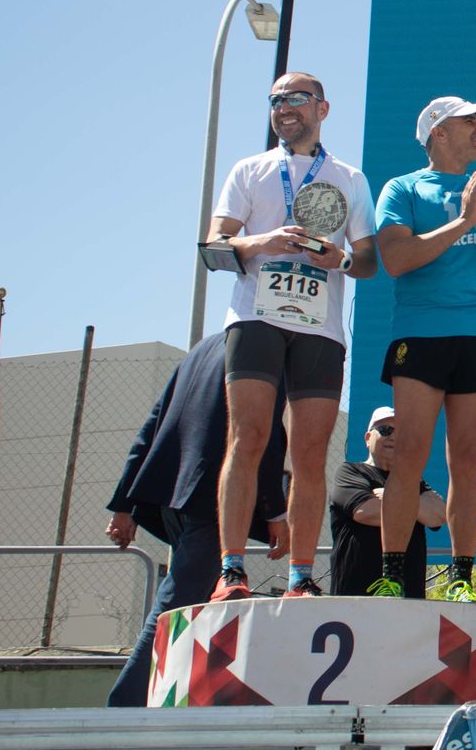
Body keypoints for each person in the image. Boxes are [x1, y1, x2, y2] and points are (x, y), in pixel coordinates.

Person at [208, 71, 378, 600]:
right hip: (255, 319)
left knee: (309, 452)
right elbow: (214, 248)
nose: (284, 107)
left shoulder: (349, 177)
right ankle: (231, 571)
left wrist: (338, 258)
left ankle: (301, 576)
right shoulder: (249, 169)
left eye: (297, 98)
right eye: (276, 99)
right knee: (247, 438)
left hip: (319, 328)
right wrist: (263, 242)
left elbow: (368, 262)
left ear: (322, 109)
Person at [371, 96, 476, 598]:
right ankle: (393, 577)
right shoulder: (403, 188)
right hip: (421, 333)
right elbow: (396, 259)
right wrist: (461, 222)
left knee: (467, 460)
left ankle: (461, 579)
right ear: (438, 133)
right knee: (410, 455)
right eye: (469, 122)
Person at [103, 331, 288, 706]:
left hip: (174, 492)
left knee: (193, 606)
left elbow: (153, 424)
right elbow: (263, 436)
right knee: (176, 606)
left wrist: (125, 503)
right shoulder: (268, 346)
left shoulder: (201, 349)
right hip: (214, 499)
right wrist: (275, 510)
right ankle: (123, 708)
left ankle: (168, 707)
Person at [329, 405, 446, 598]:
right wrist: (416, 508)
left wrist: (392, 498)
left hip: (408, 598)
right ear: (368, 438)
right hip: (354, 598)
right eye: (385, 430)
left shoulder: (413, 481)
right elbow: (366, 512)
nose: (393, 437)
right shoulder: (350, 472)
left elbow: (438, 516)